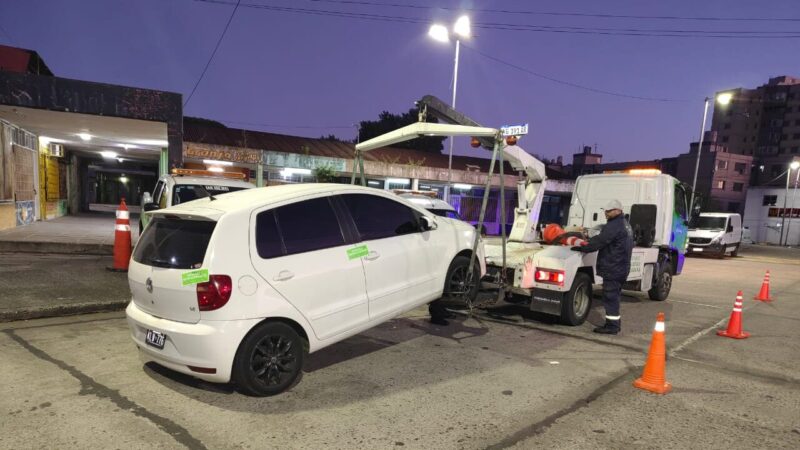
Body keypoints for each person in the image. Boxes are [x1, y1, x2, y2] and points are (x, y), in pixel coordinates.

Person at [571, 199, 634, 335]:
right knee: (614, 296)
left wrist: (584, 247)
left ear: (618, 210)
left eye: (609, 211)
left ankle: (612, 326)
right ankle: (614, 324)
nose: (606, 213)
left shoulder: (615, 225)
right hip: (620, 267)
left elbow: (601, 240)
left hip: (614, 267)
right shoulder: (625, 224)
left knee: (610, 297)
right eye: (605, 210)